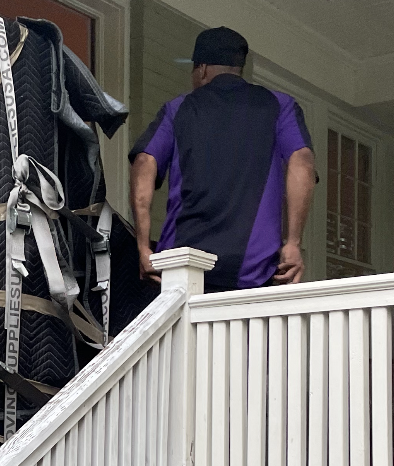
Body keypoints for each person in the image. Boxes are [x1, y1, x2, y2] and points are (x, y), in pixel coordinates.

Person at [130, 26, 316, 292]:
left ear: (202, 69)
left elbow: (145, 162)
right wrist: (293, 243)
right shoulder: (280, 105)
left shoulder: (179, 108)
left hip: (184, 265)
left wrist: (143, 246)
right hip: (253, 267)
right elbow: (303, 162)